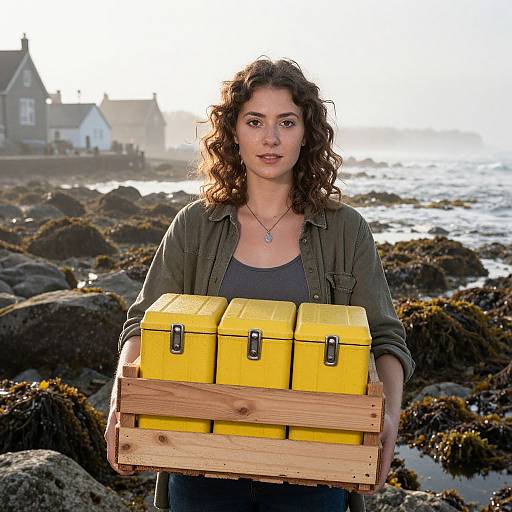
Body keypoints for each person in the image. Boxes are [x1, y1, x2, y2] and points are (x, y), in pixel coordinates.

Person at [105, 57, 415, 512]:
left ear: (306, 132)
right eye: (255, 121)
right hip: (198, 464)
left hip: (317, 467)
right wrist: (120, 400)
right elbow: (142, 324)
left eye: (286, 122)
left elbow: (386, 338)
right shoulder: (194, 226)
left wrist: (387, 416)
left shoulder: (347, 231)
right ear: (234, 132)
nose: (270, 138)